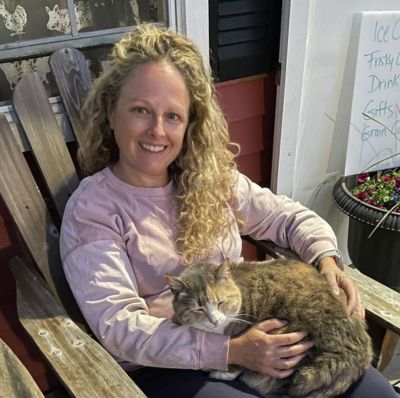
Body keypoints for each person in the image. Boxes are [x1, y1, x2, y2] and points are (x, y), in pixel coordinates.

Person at [59, 23, 398, 398]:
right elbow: (118, 326)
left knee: (376, 394)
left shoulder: (208, 180)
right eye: (141, 110)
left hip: (252, 331)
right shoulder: (94, 209)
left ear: (189, 125)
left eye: (173, 116)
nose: (157, 130)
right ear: (111, 112)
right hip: (167, 367)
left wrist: (328, 260)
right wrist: (233, 351)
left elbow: (287, 217)